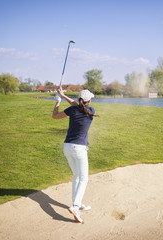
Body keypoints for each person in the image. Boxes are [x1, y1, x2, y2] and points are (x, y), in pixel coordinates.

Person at [52, 88, 98, 223]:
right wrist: (64, 96)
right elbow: (79, 105)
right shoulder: (91, 111)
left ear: (80, 100)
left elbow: (55, 115)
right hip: (79, 149)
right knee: (84, 178)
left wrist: (58, 100)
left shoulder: (72, 111)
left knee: (77, 176)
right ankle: (76, 206)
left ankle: (77, 202)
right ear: (89, 101)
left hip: (67, 147)